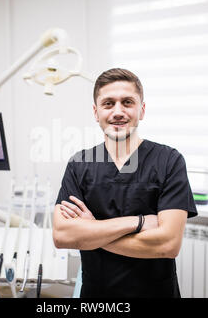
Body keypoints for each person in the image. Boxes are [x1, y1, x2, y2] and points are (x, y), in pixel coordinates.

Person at [52, 68, 197, 298]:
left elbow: (168, 245)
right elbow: (62, 236)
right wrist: (137, 222)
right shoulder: (79, 165)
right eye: (108, 103)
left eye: (127, 102)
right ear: (96, 112)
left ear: (142, 110)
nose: (118, 111)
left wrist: (92, 231)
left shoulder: (169, 160)